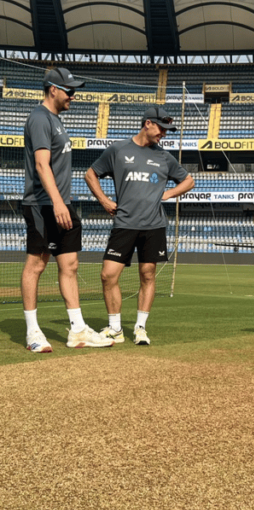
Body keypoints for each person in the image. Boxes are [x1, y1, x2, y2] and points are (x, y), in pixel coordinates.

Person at [21, 67, 114, 352]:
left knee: (70, 265)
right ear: (53, 90)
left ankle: (78, 331)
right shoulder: (39, 118)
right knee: (36, 265)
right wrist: (58, 202)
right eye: (70, 91)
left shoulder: (56, 120)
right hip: (43, 204)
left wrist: (64, 202)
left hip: (62, 203)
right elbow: (41, 164)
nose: (73, 96)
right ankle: (33, 333)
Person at [85, 107, 195, 346]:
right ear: (147, 124)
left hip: (154, 226)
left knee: (147, 274)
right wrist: (104, 200)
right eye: (161, 128)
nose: (164, 134)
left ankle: (140, 328)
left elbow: (189, 180)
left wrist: (168, 194)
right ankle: (115, 328)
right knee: (107, 275)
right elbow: (90, 174)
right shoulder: (118, 150)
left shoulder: (165, 157)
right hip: (124, 224)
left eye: (167, 130)